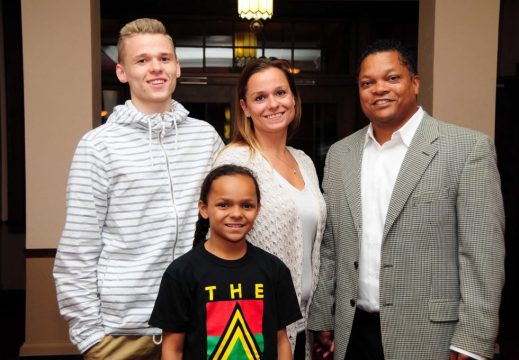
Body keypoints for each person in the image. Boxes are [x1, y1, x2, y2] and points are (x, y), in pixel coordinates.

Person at [307, 39, 505, 360]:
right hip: (353, 331)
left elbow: (482, 254)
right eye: (367, 83)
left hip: (431, 335)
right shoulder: (341, 154)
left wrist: (473, 338)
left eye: (392, 78)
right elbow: (331, 246)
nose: (379, 89)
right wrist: (323, 316)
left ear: (415, 83)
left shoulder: (467, 149)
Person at [53, 18, 224, 359]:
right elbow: (78, 249)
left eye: (164, 58)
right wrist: (90, 339)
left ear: (176, 66)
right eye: (142, 60)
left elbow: (225, 221)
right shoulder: (98, 146)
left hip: (197, 326)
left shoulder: (205, 138)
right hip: (122, 336)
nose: (155, 68)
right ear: (121, 72)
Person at [213, 57, 327, 358]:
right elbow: (218, 246)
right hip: (252, 318)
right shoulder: (236, 161)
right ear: (245, 107)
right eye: (260, 97)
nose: (273, 104)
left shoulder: (304, 161)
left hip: (304, 319)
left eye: (280, 93)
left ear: (294, 99)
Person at [149, 164, 302, 359]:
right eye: (224, 205)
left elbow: (281, 340)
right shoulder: (180, 273)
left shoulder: (275, 270)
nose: (236, 213)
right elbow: (173, 350)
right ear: (204, 209)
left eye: (247, 205)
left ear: (258, 209)